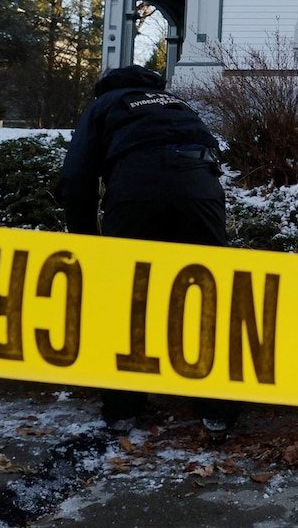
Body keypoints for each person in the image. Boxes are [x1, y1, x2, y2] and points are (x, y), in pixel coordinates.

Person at [54, 64, 240, 439]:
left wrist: (86, 243)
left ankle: (123, 408)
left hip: (136, 189)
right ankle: (217, 409)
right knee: (204, 292)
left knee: (128, 296)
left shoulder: (105, 105)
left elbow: (76, 177)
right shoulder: (175, 103)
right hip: (200, 190)